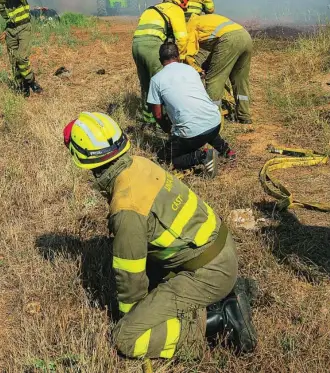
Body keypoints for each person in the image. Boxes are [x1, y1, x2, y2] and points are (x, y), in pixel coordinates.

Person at [63, 112, 257, 361]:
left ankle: (219, 320)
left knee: (127, 337)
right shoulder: (140, 164)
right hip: (220, 250)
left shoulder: (127, 209)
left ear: (82, 159)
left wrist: (134, 318)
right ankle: (226, 294)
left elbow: (130, 280)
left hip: (210, 271)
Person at [147, 43, 235, 177]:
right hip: (215, 122)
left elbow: (158, 114)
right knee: (202, 120)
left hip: (191, 134)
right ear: (178, 57)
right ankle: (226, 150)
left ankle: (203, 156)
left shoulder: (156, 80)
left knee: (165, 158)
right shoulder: (190, 70)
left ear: (160, 61)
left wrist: (169, 130)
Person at [132, 0, 189, 125]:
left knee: (146, 84)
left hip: (136, 45)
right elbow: (182, 38)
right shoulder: (174, 9)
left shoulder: (151, 9)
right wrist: (180, 60)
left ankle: (148, 120)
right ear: (180, 2)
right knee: (162, 84)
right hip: (152, 46)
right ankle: (162, 122)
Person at [186, 13, 253, 124]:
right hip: (245, 36)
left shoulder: (191, 25)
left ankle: (211, 118)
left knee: (214, 80)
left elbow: (188, 53)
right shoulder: (205, 19)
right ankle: (244, 115)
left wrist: (195, 68)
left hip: (229, 39)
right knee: (240, 79)